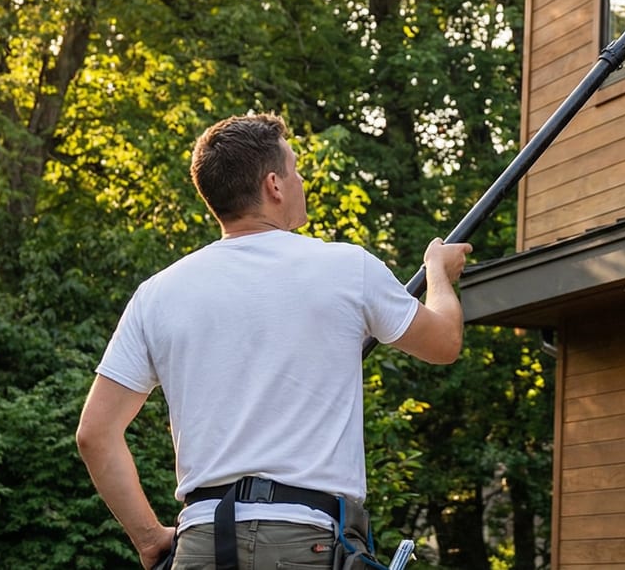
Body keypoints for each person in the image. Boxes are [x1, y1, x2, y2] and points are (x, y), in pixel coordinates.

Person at [76, 113, 471, 570]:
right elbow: (444, 342)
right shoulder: (347, 269)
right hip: (305, 541)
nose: (301, 179)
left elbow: (96, 434)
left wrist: (149, 538)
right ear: (274, 185)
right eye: (296, 169)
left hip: (202, 542)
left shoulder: (158, 293)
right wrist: (438, 272)